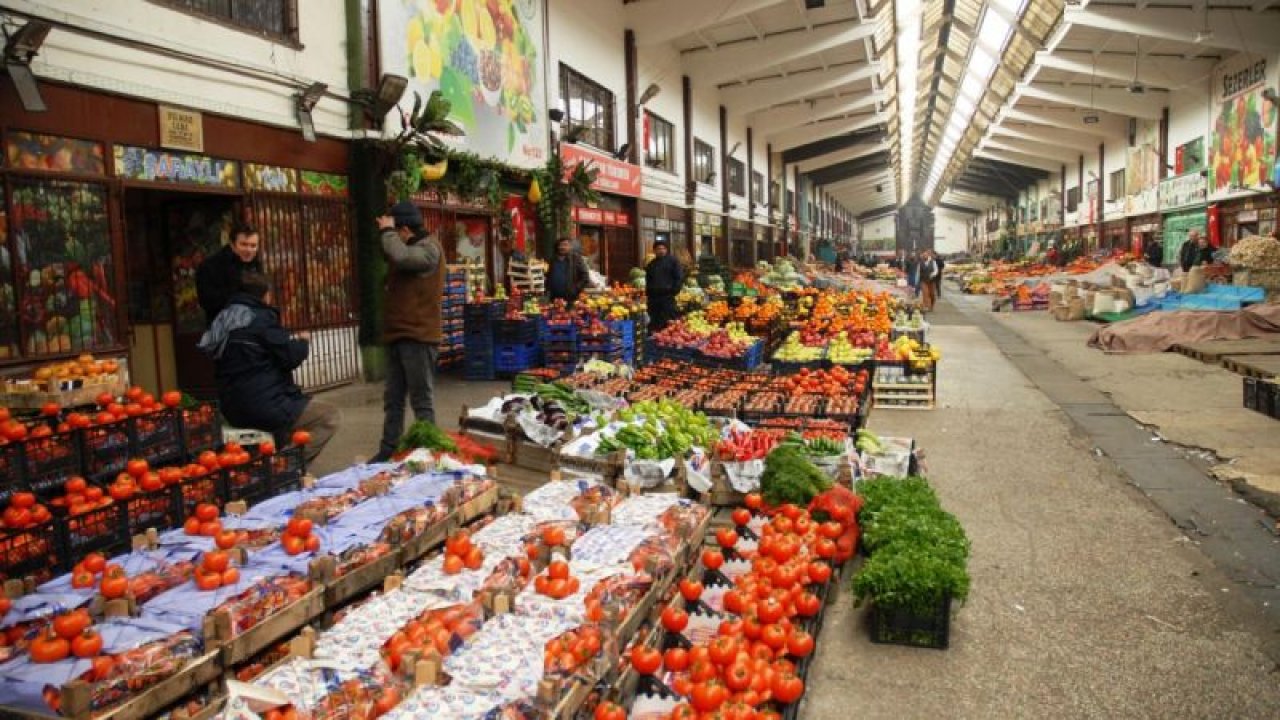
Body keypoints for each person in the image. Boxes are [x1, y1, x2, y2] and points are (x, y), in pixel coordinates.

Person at [197, 271, 338, 465]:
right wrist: (303, 342)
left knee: (293, 415)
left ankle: (279, 465)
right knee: (328, 416)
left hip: (231, 407)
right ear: (266, 295)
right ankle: (284, 467)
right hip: (264, 406)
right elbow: (290, 356)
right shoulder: (261, 319)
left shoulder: (223, 319)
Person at [372, 201, 445, 463]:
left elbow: (401, 256)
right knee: (393, 398)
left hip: (419, 336)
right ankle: (389, 448)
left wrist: (386, 232)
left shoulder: (429, 250)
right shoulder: (407, 245)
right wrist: (387, 234)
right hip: (399, 334)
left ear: (404, 229)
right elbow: (392, 253)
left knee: (421, 400)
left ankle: (431, 453)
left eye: (395, 232)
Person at [196, 224, 263, 324]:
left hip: (253, 325)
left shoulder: (255, 264)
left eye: (253, 246)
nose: (249, 250)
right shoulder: (210, 266)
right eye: (244, 244)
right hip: (223, 328)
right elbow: (207, 301)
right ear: (232, 244)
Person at [645, 239, 683, 333]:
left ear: (666, 250)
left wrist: (674, 290)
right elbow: (648, 280)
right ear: (654, 251)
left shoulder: (673, 261)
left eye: (663, 248)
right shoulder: (651, 264)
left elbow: (679, 277)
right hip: (654, 298)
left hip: (668, 296)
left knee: (669, 320)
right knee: (655, 321)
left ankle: (670, 339)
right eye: (658, 249)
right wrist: (648, 294)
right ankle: (655, 340)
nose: (661, 250)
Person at [546, 237, 590, 304]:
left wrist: (575, 289)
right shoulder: (553, 260)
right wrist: (548, 289)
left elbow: (585, 276)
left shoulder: (576, 259)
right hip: (554, 297)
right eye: (560, 245)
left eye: (565, 245)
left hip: (570, 298)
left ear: (570, 247)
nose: (562, 247)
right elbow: (549, 276)